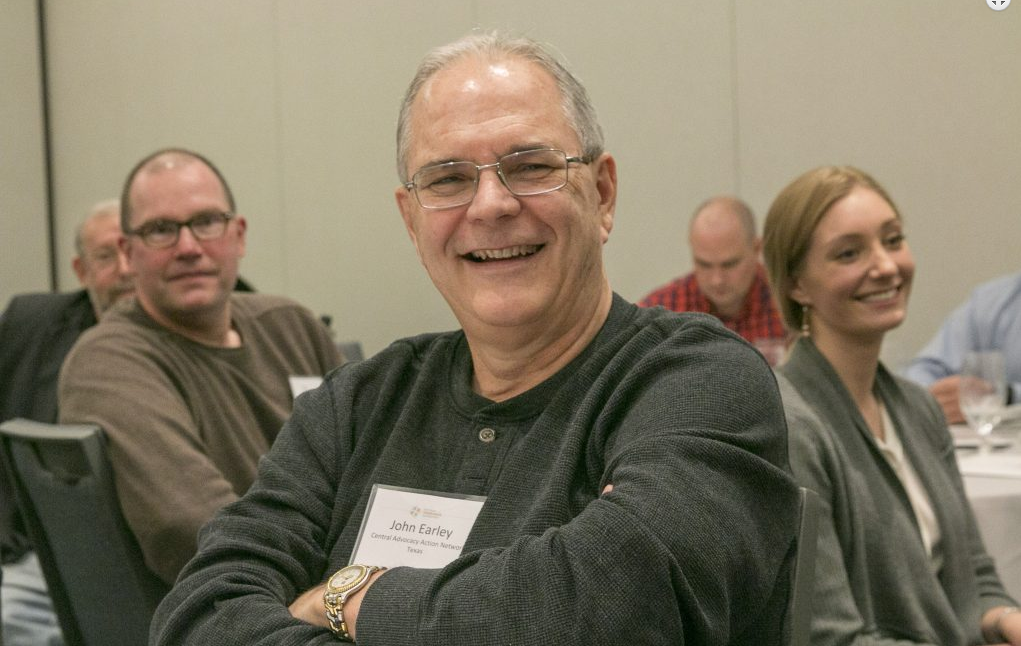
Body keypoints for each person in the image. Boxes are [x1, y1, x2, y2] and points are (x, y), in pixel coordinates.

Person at [150, 33, 799, 645]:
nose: (489, 205)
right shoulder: (356, 406)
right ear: (410, 221)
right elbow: (202, 612)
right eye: (448, 180)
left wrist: (347, 595)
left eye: (530, 165)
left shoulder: (698, 380)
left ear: (601, 195)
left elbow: (608, 604)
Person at [57, 148, 344, 586]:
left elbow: (380, 472)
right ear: (127, 252)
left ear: (239, 235)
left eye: (207, 222)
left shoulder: (293, 325)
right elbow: (190, 527)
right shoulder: (109, 361)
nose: (188, 248)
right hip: (245, 613)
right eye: (160, 230)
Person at [762, 165, 1020, 646]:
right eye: (849, 253)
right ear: (797, 284)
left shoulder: (918, 410)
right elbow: (829, 638)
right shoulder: (792, 427)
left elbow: (975, 577)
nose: (885, 265)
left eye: (893, 240)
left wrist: (1005, 619)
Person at [0, 198, 134, 646]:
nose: (124, 269)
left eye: (131, 251)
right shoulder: (33, 325)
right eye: (105, 256)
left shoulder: (206, 327)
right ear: (80, 270)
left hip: (145, 549)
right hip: (35, 549)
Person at [639, 195, 786, 357]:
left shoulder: (788, 303)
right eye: (704, 265)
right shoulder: (663, 312)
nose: (717, 280)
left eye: (729, 265)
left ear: (757, 249)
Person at [904, 273, 1021, 424]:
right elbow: (925, 368)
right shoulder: (993, 299)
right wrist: (933, 398)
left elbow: (998, 397)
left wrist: (1007, 396)